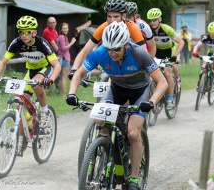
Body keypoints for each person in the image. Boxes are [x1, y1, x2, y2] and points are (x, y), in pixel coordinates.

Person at [66, 22, 168, 190]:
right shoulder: (101, 53)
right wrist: (71, 93)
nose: (112, 54)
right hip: (116, 90)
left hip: (140, 92)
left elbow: (162, 82)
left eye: (117, 49)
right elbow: (79, 74)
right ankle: (106, 153)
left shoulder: (139, 53)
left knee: (133, 133)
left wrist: (151, 102)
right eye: (109, 49)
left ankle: (134, 178)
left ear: (126, 45)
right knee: (101, 122)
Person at [0, 15, 61, 154]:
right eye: (21, 32)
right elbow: (3, 62)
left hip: (45, 68)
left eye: (27, 32)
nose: (24, 35)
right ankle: (22, 136)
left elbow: (56, 65)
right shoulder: (16, 43)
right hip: (31, 70)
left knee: (37, 84)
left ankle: (44, 113)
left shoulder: (42, 43)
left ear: (34, 32)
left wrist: (50, 79)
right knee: (19, 100)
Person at [69, 0, 146, 79]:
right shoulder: (103, 27)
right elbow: (85, 50)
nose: (112, 20)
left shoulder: (132, 27)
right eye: (109, 16)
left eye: (116, 16)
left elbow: (143, 53)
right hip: (112, 60)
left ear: (123, 16)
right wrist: (74, 69)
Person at [146, 8, 184, 109]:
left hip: (169, 53)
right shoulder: (147, 30)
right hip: (156, 54)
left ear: (160, 19)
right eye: (150, 20)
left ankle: (170, 99)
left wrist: (174, 56)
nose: (152, 22)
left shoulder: (167, 29)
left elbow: (181, 42)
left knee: (167, 73)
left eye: (155, 20)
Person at [57, 22, 76, 94]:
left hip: (62, 58)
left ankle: (61, 92)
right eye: (64, 28)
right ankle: (63, 93)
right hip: (64, 59)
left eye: (67, 28)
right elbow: (63, 49)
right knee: (63, 77)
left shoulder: (64, 37)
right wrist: (72, 42)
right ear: (61, 29)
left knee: (62, 77)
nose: (66, 30)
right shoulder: (62, 37)